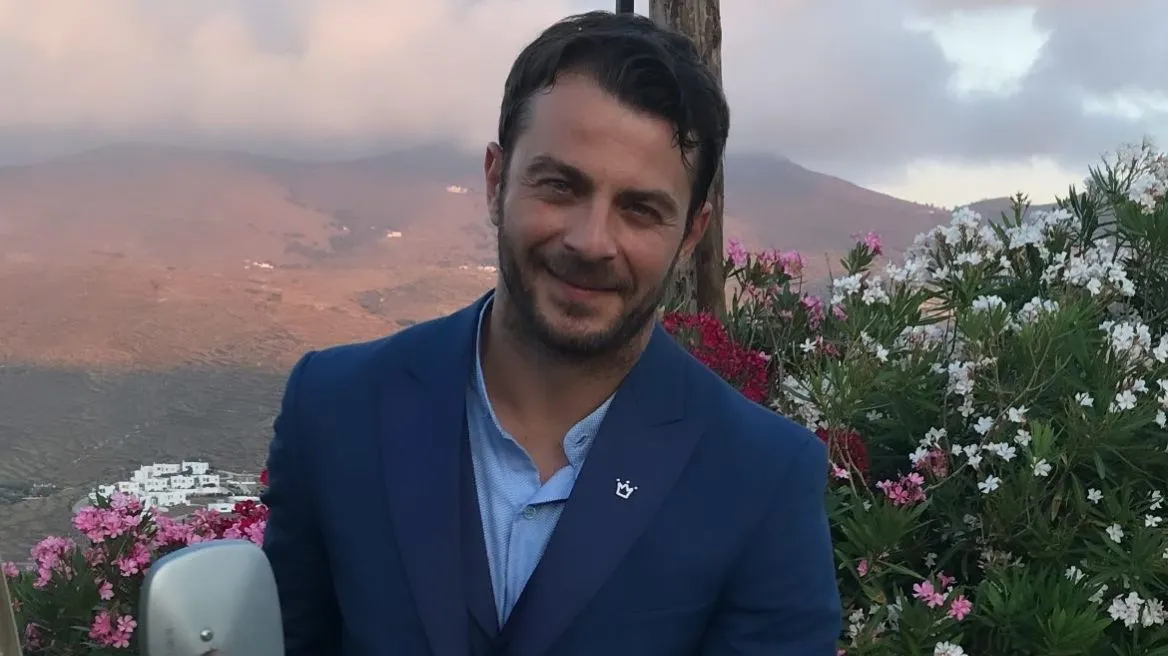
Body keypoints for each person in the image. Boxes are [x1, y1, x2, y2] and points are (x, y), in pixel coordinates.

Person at [261, 9, 841, 655]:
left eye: (640, 209)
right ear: (496, 181)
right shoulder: (335, 408)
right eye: (561, 186)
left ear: (690, 235)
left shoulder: (761, 478)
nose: (591, 241)